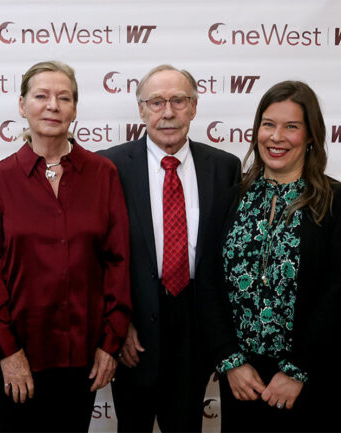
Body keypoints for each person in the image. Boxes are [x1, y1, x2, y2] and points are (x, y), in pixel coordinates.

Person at [0, 60, 131, 433]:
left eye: (64, 97)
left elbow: (118, 261)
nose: (53, 106)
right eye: (41, 96)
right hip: (20, 349)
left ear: (75, 108)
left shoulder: (102, 173)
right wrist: (8, 351)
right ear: (22, 105)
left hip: (84, 354)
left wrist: (111, 342)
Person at [201, 81, 341, 432]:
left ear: (310, 136)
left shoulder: (337, 202)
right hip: (243, 382)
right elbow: (207, 282)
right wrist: (230, 361)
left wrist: (295, 370)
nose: (276, 137)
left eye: (291, 126)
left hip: (310, 380)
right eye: (268, 124)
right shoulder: (232, 198)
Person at [99, 64, 241, 432]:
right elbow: (97, 253)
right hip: (134, 322)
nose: (168, 112)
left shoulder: (224, 167)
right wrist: (118, 323)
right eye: (156, 102)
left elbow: (230, 255)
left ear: (194, 107)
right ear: (141, 109)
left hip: (197, 320)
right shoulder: (109, 166)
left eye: (178, 100)